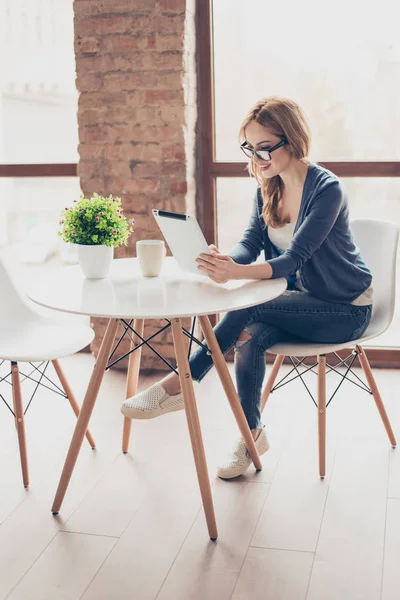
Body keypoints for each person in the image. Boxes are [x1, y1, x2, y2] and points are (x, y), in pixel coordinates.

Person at [121, 96, 373, 479]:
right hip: (301, 302)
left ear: (292, 141)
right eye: (251, 148)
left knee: (247, 308)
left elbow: (293, 260)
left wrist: (237, 273)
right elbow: (250, 243)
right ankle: (251, 434)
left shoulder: (327, 190)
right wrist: (223, 260)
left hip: (345, 310)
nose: (258, 157)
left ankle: (180, 384)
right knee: (249, 336)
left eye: (265, 147)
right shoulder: (267, 187)